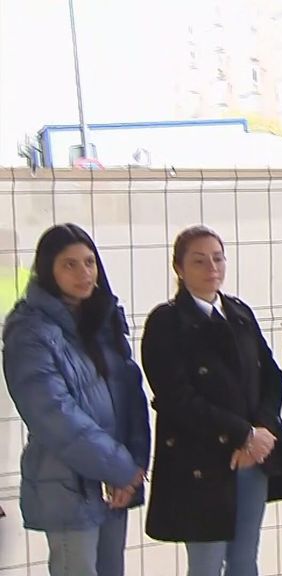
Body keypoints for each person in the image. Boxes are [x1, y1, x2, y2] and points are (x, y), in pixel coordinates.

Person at [142, 225, 282, 576]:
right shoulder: (167, 322)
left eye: (218, 258)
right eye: (199, 260)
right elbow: (177, 397)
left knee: (244, 560)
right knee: (207, 564)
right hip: (201, 462)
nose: (212, 268)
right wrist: (243, 434)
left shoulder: (238, 312)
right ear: (179, 268)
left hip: (252, 459)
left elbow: (271, 376)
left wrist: (263, 431)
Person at [3, 223, 149, 576]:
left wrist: (135, 464)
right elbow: (54, 415)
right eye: (69, 264)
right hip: (68, 487)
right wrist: (121, 468)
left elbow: (131, 394)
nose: (84, 273)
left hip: (114, 484)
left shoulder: (102, 319)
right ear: (47, 270)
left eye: (89, 262)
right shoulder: (30, 331)